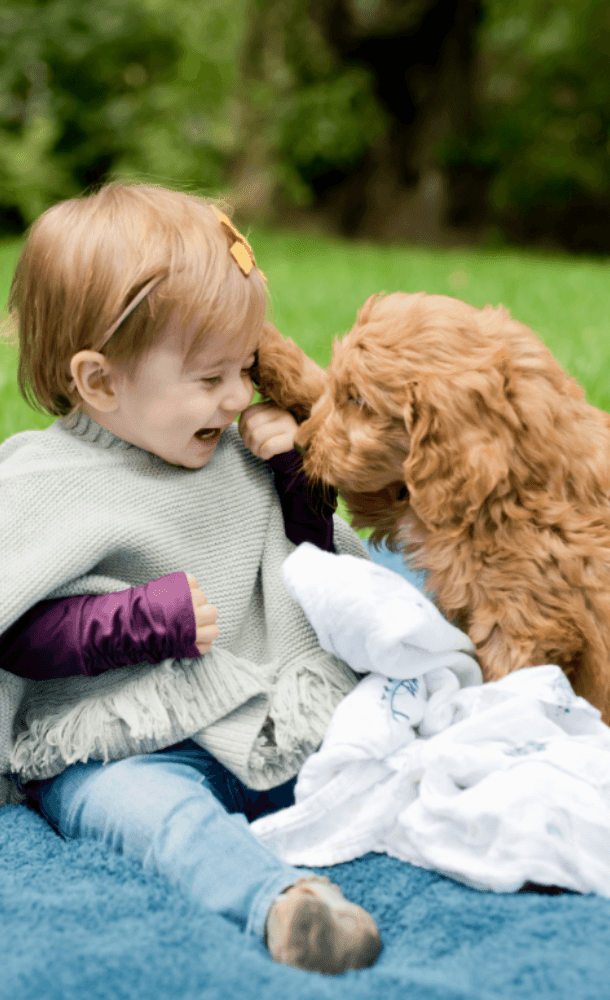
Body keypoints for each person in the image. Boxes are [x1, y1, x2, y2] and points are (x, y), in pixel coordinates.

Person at [0, 183, 381, 977]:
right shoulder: (41, 482)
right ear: (100, 382)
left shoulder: (233, 452)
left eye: (244, 367)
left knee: (394, 731)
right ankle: (283, 905)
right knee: (144, 814)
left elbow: (303, 572)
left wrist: (296, 484)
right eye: (211, 378)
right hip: (121, 741)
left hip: (273, 708)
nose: (240, 395)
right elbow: (17, 630)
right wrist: (135, 619)